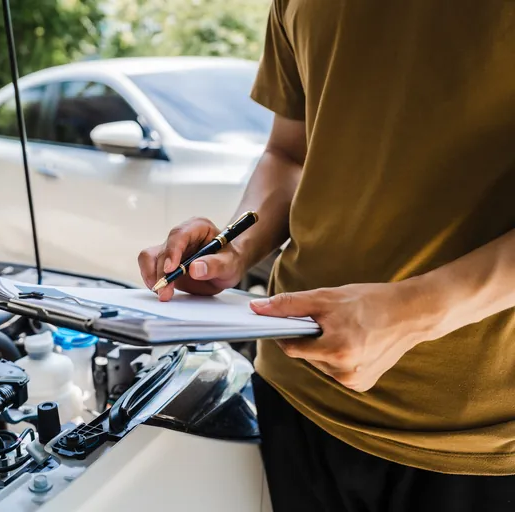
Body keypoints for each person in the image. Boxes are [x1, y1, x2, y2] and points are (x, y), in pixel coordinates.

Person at [138, 2, 515, 510]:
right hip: (293, 393)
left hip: (471, 436)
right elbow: (290, 154)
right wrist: (234, 245)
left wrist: (414, 312)